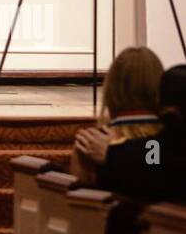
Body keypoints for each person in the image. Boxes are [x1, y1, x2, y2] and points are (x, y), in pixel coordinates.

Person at [74, 63, 186, 203]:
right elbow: (155, 157)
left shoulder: (159, 147)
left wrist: (115, 152)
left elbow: (157, 166)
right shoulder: (156, 146)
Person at [70, 47, 163, 185]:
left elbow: (80, 201)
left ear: (111, 87)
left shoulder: (90, 143)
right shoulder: (168, 139)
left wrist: (115, 153)